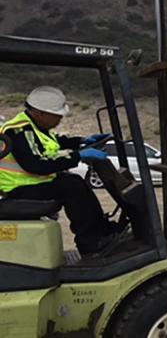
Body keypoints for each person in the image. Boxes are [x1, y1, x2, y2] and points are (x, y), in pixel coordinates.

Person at [0, 86, 115, 255]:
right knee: (71, 188)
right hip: (17, 190)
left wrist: (82, 141)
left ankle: (101, 231)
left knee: (73, 181)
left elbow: (55, 142)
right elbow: (36, 165)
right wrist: (78, 156)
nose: (60, 118)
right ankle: (91, 242)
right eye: (57, 115)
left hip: (31, 184)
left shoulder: (34, 127)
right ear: (40, 113)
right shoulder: (19, 130)